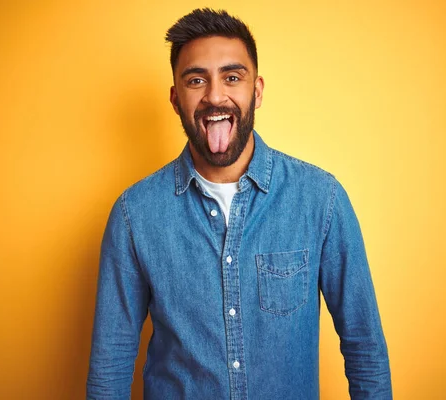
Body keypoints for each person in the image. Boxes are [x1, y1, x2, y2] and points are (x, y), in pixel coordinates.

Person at [87, 8, 392, 400]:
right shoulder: (134, 215)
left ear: (257, 91)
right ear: (176, 98)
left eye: (232, 77)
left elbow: (364, 345)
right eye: (196, 80)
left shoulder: (321, 200)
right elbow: (110, 366)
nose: (215, 95)